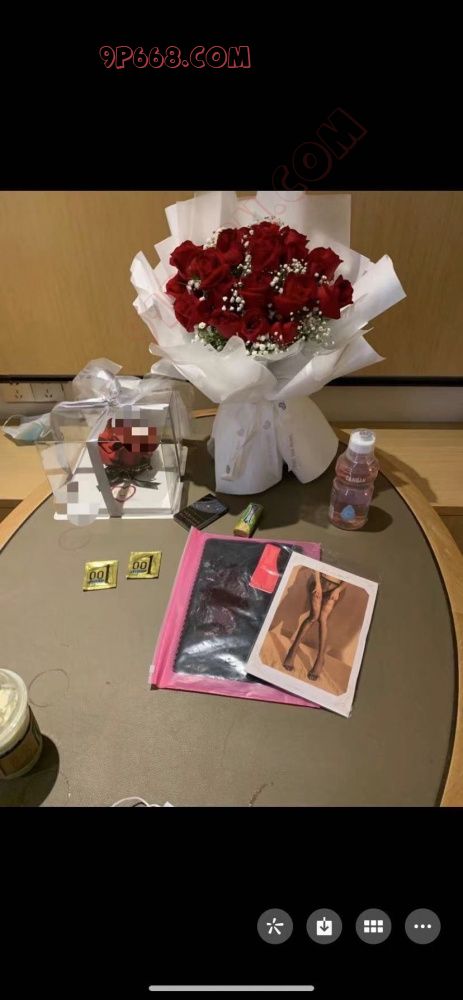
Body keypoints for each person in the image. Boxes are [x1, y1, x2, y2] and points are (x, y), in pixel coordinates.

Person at [283, 571, 346, 680]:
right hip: (320, 581)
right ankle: (292, 651)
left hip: (336, 588)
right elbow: (317, 567)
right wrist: (317, 583)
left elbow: (350, 578)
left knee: (322, 619)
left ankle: (320, 659)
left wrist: (338, 590)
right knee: (313, 617)